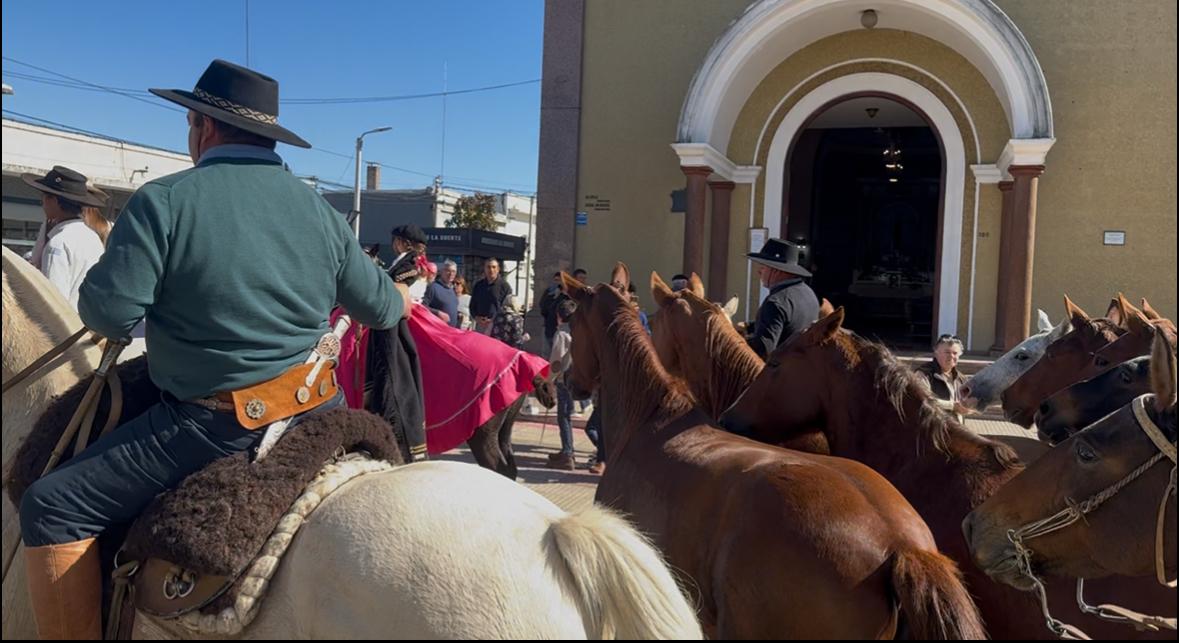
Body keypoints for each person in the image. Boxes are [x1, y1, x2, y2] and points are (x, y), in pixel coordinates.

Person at [18, 59, 411, 640]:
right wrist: (400, 289)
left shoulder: (164, 200)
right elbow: (382, 309)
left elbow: (108, 314)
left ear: (201, 127)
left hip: (214, 425)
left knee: (51, 506)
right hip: (317, 411)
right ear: (268, 136)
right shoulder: (319, 212)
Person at [20, 166, 110, 309]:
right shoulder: (92, 237)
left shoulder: (58, 243)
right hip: (88, 323)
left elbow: (53, 303)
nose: (42, 203)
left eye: (44, 197)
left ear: (53, 200)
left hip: (66, 328)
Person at [745, 238, 820, 358]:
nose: (759, 272)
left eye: (763, 267)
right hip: (803, 369)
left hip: (780, 373)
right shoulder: (809, 293)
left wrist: (733, 339)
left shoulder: (775, 302)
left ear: (775, 270)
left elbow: (762, 350)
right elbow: (785, 321)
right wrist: (748, 326)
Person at [545, 299, 579, 470]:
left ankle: (567, 452)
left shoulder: (561, 334)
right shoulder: (578, 331)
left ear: (559, 316)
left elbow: (556, 361)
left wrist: (549, 379)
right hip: (576, 376)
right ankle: (568, 449)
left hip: (564, 377)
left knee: (563, 416)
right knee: (568, 414)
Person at [918, 334, 974, 422]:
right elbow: (921, 400)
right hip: (931, 429)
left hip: (954, 430)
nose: (951, 356)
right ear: (936, 353)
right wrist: (952, 406)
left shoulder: (961, 378)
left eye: (955, 353)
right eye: (947, 352)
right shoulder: (924, 374)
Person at [470, 257, 512, 335]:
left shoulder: (505, 286)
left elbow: (508, 308)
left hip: (498, 326)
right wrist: (476, 318)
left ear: (498, 269)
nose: (491, 270)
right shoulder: (478, 285)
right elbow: (472, 305)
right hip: (480, 326)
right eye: (488, 267)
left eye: (494, 267)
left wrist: (493, 320)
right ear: (484, 269)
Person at [389, 224, 429, 303]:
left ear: (403, 243)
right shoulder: (418, 264)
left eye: (395, 239)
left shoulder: (407, 265)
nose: (394, 243)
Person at [424, 259, 461, 328]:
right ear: (441, 271)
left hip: (452, 332)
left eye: (453, 271)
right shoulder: (433, 287)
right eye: (448, 271)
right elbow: (423, 307)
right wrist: (438, 313)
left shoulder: (452, 289)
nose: (451, 274)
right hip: (438, 331)